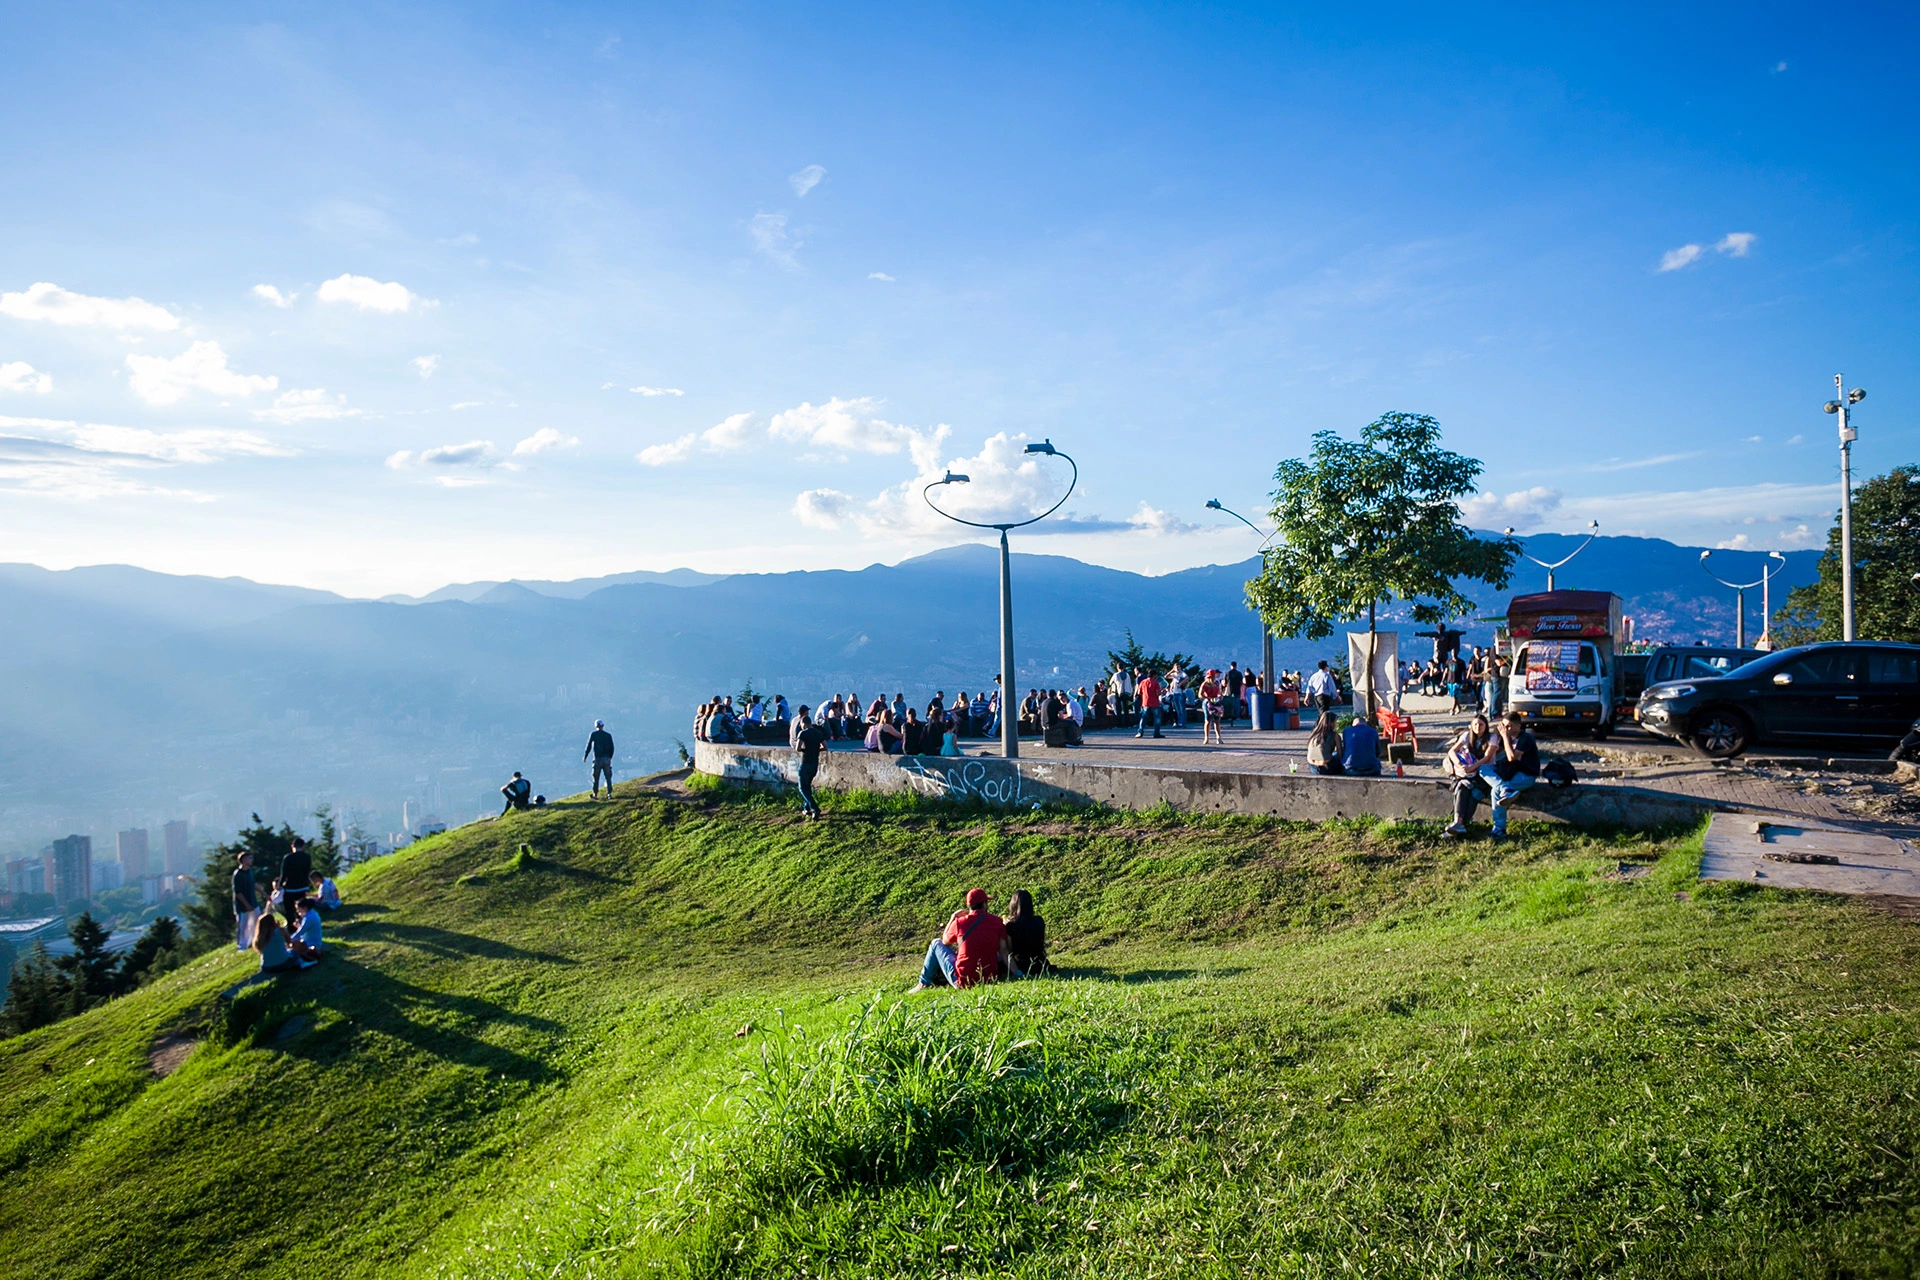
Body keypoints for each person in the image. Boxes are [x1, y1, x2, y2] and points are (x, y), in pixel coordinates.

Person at [912, 888, 1007, 991]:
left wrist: (953, 918)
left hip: (963, 982)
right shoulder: (997, 921)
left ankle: (923, 983)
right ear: (984, 904)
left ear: (969, 906)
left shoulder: (959, 923)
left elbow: (945, 941)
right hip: (990, 978)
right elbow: (1003, 949)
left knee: (936, 943)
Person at [1481, 710, 1540, 841]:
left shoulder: (1526, 738)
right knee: (1483, 768)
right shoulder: (1505, 737)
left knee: (1495, 791)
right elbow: (1494, 753)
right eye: (1504, 726)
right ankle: (1504, 788)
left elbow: (1511, 757)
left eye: (1509, 726)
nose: (1506, 729)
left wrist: (1505, 738)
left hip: (1526, 775)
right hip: (1509, 773)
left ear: (1518, 726)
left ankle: (1499, 828)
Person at [1441, 713, 1499, 839]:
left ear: (1486, 726)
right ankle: (1458, 823)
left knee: (1474, 794)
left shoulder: (1492, 737)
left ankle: (1461, 825)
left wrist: (1472, 767)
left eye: (1481, 724)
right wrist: (1459, 764)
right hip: (1467, 775)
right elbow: (1452, 751)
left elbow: (1487, 757)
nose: (1478, 727)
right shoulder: (1467, 736)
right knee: (1462, 788)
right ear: (1471, 726)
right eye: (1475, 724)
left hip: (1484, 773)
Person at [1002, 888, 1049, 979]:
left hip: (1020, 964)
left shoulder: (1011, 926)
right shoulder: (1039, 921)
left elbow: (1009, 949)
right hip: (1039, 962)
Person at [793, 708, 828, 820]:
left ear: (803, 723)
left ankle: (814, 808)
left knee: (802, 787)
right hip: (814, 764)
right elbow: (825, 748)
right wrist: (816, 750)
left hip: (805, 762)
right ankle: (806, 809)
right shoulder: (818, 733)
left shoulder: (803, 733)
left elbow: (797, 748)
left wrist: (805, 750)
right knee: (807, 786)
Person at [277, 837, 312, 928]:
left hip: (290, 887)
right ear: (303, 846)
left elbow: (284, 873)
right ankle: (303, 924)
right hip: (303, 886)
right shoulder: (307, 857)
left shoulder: (288, 858)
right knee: (302, 907)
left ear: (292, 846)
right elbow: (307, 871)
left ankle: (291, 926)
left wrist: (280, 884)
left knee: (289, 909)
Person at [232, 850, 260, 953]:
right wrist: (246, 904)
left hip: (253, 902)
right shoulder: (238, 874)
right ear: (243, 860)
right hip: (242, 906)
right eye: (249, 858)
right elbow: (238, 892)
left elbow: (253, 885)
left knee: (256, 922)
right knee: (243, 926)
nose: (251, 860)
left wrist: (264, 894)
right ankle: (241, 946)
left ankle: (253, 941)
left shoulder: (250, 871)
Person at [584, 719, 616, 799]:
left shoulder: (593, 734)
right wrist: (609, 757)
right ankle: (609, 794)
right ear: (603, 726)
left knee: (596, 778)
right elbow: (612, 748)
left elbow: (589, 746)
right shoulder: (608, 735)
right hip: (606, 759)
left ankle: (595, 794)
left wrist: (585, 756)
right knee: (608, 777)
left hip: (597, 759)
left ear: (596, 726)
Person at [1134, 667, 1165, 738]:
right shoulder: (1155, 683)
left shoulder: (1143, 682)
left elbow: (1139, 692)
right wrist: (1162, 691)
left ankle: (1140, 732)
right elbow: (1157, 693)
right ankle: (1156, 733)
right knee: (1157, 718)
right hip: (1154, 703)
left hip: (1145, 702)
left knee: (1143, 718)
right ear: (1154, 675)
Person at [1199, 668, 1226, 746]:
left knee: (1217, 721)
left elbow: (1220, 692)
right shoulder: (1204, 684)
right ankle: (1206, 737)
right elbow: (1200, 695)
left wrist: (1220, 696)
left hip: (1215, 702)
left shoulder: (1217, 684)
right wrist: (1207, 698)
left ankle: (1218, 737)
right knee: (1208, 721)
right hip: (1208, 703)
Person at [1168, 663, 1188, 727]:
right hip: (1175, 693)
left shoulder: (1182, 674)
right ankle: (1179, 722)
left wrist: (1181, 683)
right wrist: (1172, 670)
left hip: (1181, 693)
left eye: (1179, 667)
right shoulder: (1174, 675)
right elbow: (1166, 676)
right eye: (1176, 667)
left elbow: (1187, 678)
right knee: (1177, 709)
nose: (1178, 668)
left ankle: (1183, 722)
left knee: (1182, 708)